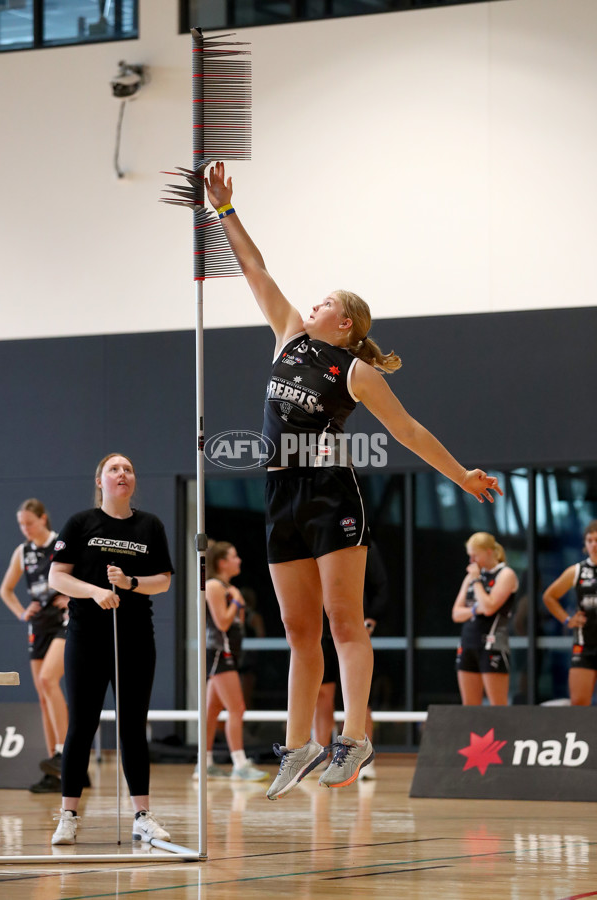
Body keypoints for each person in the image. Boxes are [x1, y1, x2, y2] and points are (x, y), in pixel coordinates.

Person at [205, 161, 502, 801]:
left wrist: (463, 474)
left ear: (345, 324)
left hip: (330, 495)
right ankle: (302, 745)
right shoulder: (287, 337)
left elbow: (410, 432)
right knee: (296, 630)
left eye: (325, 302)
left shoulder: (355, 373)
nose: (311, 303)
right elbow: (256, 268)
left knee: (345, 626)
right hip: (280, 494)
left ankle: (355, 737)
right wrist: (225, 210)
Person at [48, 453, 174, 845]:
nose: (123, 473)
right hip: (86, 638)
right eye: (115, 469)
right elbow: (57, 577)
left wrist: (130, 582)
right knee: (81, 726)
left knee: (133, 726)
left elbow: (164, 581)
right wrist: (96, 592)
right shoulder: (80, 523)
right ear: (101, 480)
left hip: (135, 638)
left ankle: (142, 815)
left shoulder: (149, 525)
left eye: (129, 469)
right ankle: (68, 815)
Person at [0, 499, 70, 793]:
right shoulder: (22, 552)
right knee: (43, 695)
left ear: (43, 519)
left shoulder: (60, 544)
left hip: (64, 622)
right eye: (20, 524)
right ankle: (55, 767)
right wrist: (20, 612)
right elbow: (5, 589)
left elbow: (81, 576)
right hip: (38, 625)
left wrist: (73, 596)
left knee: (48, 680)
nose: (24, 528)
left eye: (29, 522)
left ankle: (67, 754)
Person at [313, 541, 389, 780]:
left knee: (359, 696)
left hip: (352, 630)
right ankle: (322, 756)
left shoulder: (361, 544)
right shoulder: (312, 544)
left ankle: (361, 758)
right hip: (323, 630)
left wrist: (371, 619)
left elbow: (381, 585)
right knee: (322, 695)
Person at [193, 541, 268, 782]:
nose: (239, 561)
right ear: (222, 562)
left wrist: (238, 603)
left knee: (212, 711)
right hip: (219, 653)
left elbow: (239, 622)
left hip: (229, 654)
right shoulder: (215, 586)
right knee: (237, 708)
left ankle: (204, 764)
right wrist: (235, 601)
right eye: (234, 557)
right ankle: (240, 763)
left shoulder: (227, 587)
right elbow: (222, 623)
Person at [452, 532, 518, 705]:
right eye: (469, 556)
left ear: (489, 552)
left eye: (475, 555)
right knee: (470, 708)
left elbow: (489, 607)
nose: (471, 561)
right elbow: (456, 613)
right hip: (468, 642)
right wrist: (475, 609)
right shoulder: (471, 577)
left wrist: (476, 582)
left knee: (497, 708)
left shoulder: (505, 574)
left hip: (492, 644)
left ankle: (503, 734)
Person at [543, 520, 597, 705]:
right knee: (579, 703)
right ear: (585, 543)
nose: (594, 544)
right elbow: (549, 597)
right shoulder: (577, 571)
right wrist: (567, 620)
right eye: (590, 540)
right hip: (585, 644)